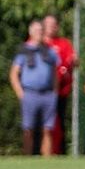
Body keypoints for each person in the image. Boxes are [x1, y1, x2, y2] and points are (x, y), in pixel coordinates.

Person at [9, 20, 59, 156]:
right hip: (30, 93)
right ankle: (27, 158)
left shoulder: (49, 51)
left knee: (47, 129)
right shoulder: (23, 51)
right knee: (28, 129)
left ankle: (47, 159)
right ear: (30, 33)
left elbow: (55, 73)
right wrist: (21, 93)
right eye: (36, 31)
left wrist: (55, 93)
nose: (39, 33)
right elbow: (14, 74)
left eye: (41, 31)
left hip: (48, 94)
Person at [43, 14, 77, 154]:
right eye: (48, 24)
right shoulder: (38, 44)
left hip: (60, 92)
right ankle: (39, 152)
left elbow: (73, 61)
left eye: (53, 24)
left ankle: (59, 152)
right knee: (42, 125)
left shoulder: (64, 43)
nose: (51, 27)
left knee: (59, 123)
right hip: (43, 91)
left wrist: (73, 61)